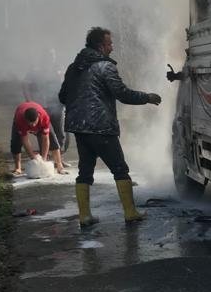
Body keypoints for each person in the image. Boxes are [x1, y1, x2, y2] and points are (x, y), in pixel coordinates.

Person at [59, 26, 161, 228]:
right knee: (120, 169)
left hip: (79, 128)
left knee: (85, 171)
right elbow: (122, 93)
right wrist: (147, 97)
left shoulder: (74, 67)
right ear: (100, 46)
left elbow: (62, 96)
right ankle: (130, 213)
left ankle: (85, 216)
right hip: (101, 127)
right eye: (110, 44)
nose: (112, 48)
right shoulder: (105, 67)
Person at [10, 100, 69, 176]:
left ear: (38, 116)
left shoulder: (44, 117)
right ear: (26, 120)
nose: (33, 125)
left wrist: (43, 158)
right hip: (20, 112)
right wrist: (33, 157)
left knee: (53, 139)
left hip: (40, 116)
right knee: (16, 142)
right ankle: (18, 167)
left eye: (34, 122)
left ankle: (59, 166)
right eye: (30, 124)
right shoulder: (20, 119)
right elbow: (25, 141)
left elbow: (46, 139)